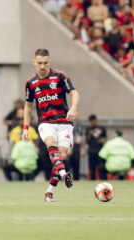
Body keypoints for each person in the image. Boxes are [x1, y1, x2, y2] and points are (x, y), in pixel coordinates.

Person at [23, 48, 80, 202]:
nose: (42, 66)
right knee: (50, 143)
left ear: (49, 62)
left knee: (60, 156)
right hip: (46, 123)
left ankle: (49, 193)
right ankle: (63, 174)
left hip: (64, 122)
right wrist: (26, 128)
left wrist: (74, 108)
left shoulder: (60, 76)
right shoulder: (30, 82)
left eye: (45, 63)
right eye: (39, 63)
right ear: (34, 63)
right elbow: (28, 107)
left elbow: (74, 93)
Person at [86, 114, 107, 180]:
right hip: (91, 150)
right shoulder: (88, 129)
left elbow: (105, 138)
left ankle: (102, 180)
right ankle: (92, 180)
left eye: (94, 121)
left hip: (100, 151)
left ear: (96, 120)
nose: (93, 122)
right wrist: (90, 134)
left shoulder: (102, 128)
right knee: (92, 167)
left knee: (101, 167)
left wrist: (102, 140)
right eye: (91, 121)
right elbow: (86, 141)